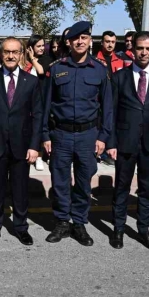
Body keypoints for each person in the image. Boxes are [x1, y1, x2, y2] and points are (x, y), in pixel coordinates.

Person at [42, 21, 113, 246]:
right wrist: (44, 135)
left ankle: (79, 223)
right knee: (60, 180)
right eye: (76, 38)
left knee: (84, 181)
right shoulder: (56, 68)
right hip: (60, 135)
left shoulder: (100, 69)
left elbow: (107, 107)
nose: (80, 42)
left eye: (84, 38)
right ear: (69, 42)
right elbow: (45, 105)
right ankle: (62, 222)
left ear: (90, 41)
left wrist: (103, 137)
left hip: (88, 135)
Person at [106, 31, 149, 250]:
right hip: (125, 141)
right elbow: (111, 113)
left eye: (148, 48)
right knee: (122, 187)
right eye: (140, 48)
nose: (144, 52)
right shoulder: (119, 77)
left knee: (146, 188)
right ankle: (118, 229)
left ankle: (144, 229)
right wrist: (111, 143)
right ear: (133, 49)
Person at [0, 38, 43, 247]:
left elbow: (38, 116)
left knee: (21, 189)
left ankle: (21, 227)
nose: (11, 56)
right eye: (7, 52)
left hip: (22, 147)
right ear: (1, 54)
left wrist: (34, 147)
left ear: (21, 54)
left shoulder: (31, 81)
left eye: (15, 52)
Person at [27, 34, 52, 172]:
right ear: (31, 47)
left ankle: (40, 156)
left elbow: (41, 71)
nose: (42, 48)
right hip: (28, 96)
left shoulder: (46, 59)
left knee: (40, 126)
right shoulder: (25, 60)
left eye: (43, 45)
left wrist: (32, 59)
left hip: (42, 97)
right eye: (39, 46)